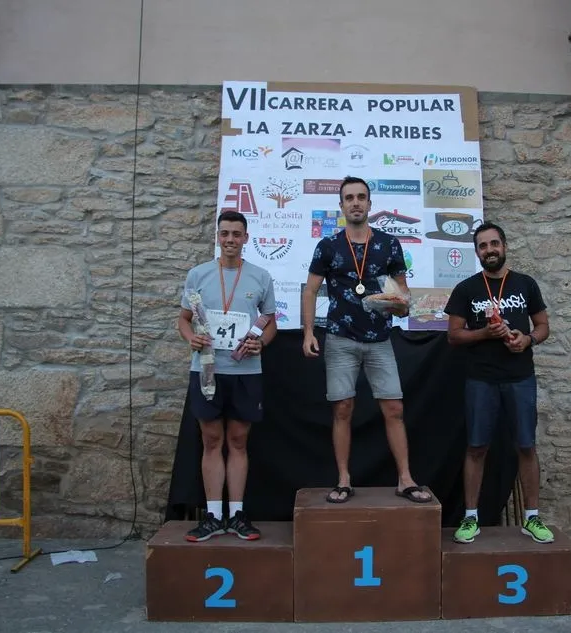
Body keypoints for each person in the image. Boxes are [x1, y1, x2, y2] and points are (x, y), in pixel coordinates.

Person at [301, 176, 432, 504]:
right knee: (343, 409)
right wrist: (308, 332)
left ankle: (405, 479)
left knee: (394, 408)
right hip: (340, 338)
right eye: (349, 198)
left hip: (380, 339)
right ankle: (344, 480)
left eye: (361, 197)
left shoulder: (389, 243)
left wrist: (401, 304)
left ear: (370, 204)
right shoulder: (328, 246)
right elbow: (311, 290)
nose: (356, 202)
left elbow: (402, 293)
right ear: (341, 205)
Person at [443, 221, 554, 544]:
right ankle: (470, 518)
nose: (489, 250)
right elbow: (453, 336)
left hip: (520, 377)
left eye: (494, 244)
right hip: (481, 379)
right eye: (483, 246)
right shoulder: (466, 289)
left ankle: (532, 518)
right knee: (477, 447)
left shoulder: (525, 284)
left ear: (504, 246)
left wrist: (528, 339)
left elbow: (543, 325)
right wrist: (484, 333)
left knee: (526, 445)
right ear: (476, 252)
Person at [178, 210, 277, 541]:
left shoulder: (260, 276)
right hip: (207, 370)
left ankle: (236, 515)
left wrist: (261, 342)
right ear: (218, 237)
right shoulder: (198, 275)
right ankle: (213, 516)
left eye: (236, 234)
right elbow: (183, 319)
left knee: (237, 441)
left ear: (246, 238)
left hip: (245, 371)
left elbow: (270, 322)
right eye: (225, 233)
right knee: (211, 441)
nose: (230, 239)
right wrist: (190, 338)